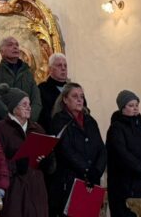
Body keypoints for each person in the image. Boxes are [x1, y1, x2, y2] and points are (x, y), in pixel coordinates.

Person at [0, 84, 53, 217]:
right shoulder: (0, 129)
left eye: (29, 104)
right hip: (14, 191)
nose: (29, 107)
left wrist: (48, 162)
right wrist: (15, 165)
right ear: (14, 108)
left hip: (37, 191)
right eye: (24, 104)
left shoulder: (38, 129)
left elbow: (51, 157)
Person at [49, 82, 106, 217]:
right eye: (75, 96)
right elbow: (66, 150)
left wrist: (97, 171)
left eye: (81, 96)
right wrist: (87, 170)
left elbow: (101, 149)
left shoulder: (90, 121)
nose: (80, 100)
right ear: (65, 99)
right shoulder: (59, 120)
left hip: (92, 180)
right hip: (69, 181)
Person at [0, 36, 42, 122]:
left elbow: (36, 100)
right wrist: (12, 119)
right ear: (2, 51)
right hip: (2, 123)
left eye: (17, 45)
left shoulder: (28, 73)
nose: (15, 47)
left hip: (27, 123)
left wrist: (29, 118)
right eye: (10, 45)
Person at [38, 53, 74, 129]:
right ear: (50, 69)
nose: (63, 68)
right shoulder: (42, 89)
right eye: (59, 65)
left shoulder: (74, 89)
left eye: (65, 65)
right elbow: (42, 116)